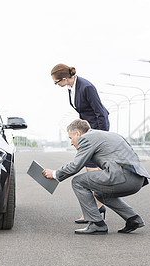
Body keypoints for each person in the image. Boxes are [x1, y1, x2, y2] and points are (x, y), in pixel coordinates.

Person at [42, 119, 150, 235]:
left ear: (78, 134)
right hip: (137, 179)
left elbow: (75, 165)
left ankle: (97, 224)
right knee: (100, 193)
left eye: (70, 138)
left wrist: (54, 174)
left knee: (77, 182)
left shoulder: (86, 138)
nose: (71, 143)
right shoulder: (110, 135)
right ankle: (133, 218)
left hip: (122, 177)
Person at [51, 63, 110, 223]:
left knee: (92, 171)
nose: (56, 85)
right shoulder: (72, 88)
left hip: (97, 131)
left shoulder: (86, 87)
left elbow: (101, 113)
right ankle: (96, 207)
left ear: (63, 79)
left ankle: (95, 209)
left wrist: (102, 137)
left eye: (56, 82)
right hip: (87, 132)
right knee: (90, 170)